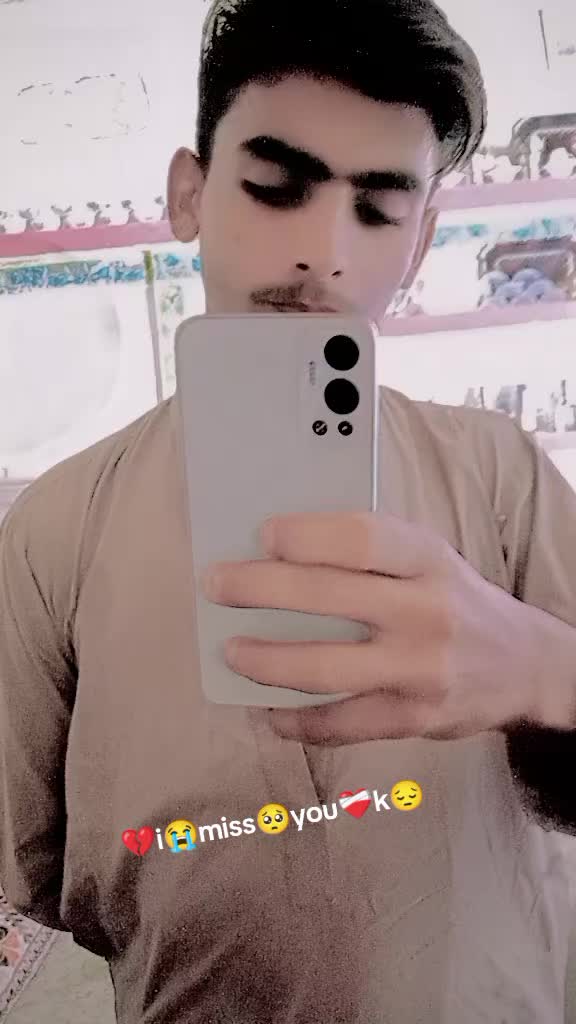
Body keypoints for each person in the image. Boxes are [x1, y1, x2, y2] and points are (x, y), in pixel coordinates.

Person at [2, 1, 576, 1021]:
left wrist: (547, 670)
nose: (324, 251)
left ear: (422, 239)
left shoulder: (502, 474)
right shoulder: (53, 530)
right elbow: (36, 877)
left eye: (379, 210)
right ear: (188, 195)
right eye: (276, 188)